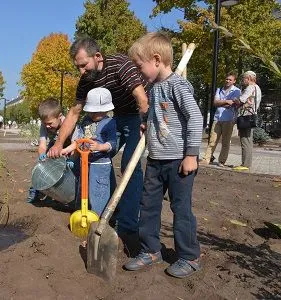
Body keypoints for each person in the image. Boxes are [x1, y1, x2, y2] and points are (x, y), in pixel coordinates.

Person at [47, 36, 149, 239]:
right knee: (94, 156)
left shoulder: (120, 65)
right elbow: (74, 113)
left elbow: (141, 97)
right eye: (78, 67)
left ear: (98, 56)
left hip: (135, 116)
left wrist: (146, 122)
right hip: (113, 118)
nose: (81, 71)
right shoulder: (86, 80)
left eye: (83, 65)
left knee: (130, 165)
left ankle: (128, 225)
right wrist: (59, 143)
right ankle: (106, 209)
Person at [126, 32, 203, 278]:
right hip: (156, 160)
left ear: (156, 60)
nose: (138, 73)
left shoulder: (178, 86)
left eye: (139, 67)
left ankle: (190, 256)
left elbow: (195, 118)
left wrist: (191, 154)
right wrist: (146, 123)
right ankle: (150, 250)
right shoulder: (154, 88)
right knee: (148, 206)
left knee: (181, 209)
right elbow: (157, 115)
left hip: (179, 160)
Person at [61, 87, 117, 216]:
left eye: (96, 112)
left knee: (98, 191)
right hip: (84, 162)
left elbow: (113, 144)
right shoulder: (85, 121)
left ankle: (98, 218)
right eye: (91, 111)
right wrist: (68, 149)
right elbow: (79, 139)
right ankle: (83, 213)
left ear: (105, 110)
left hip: (100, 165)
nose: (92, 114)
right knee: (83, 188)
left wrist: (99, 147)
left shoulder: (110, 123)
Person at [27, 98, 73, 203]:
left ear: (60, 117)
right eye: (45, 123)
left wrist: (72, 159)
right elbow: (42, 145)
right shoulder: (45, 126)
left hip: (69, 147)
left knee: (70, 171)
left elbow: (76, 143)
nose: (47, 126)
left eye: (50, 123)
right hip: (54, 146)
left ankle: (70, 196)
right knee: (42, 168)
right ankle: (35, 191)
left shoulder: (68, 124)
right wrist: (42, 156)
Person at [200, 72, 241, 167]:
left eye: (230, 80)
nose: (228, 81)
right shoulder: (219, 89)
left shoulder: (237, 91)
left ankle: (222, 161)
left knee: (225, 142)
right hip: (217, 118)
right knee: (212, 141)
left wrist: (221, 102)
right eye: (227, 79)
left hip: (229, 119)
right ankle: (206, 159)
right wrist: (226, 101)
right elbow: (215, 102)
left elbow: (235, 104)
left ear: (234, 81)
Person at [232, 71, 262, 171]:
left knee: (245, 141)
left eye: (244, 78)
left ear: (248, 78)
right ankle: (246, 163)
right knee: (248, 140)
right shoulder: (257, 88)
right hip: (251, 116)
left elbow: (242, 100)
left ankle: (245, 164)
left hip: (245, 117)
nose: (243, 81)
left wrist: (234, 100)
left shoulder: (250, 87)